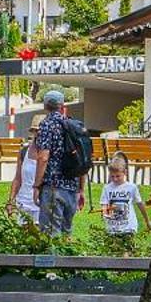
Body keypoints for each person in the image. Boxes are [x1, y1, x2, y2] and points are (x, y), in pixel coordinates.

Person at [28, 90, 85, 236]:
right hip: (71, 188)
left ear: (45, 106)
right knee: (66, 235)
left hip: (53, 187)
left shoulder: (47, 125)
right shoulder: (73, 125)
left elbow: (43, 158)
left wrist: (36, 185)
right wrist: (81, 189)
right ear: (62, 106)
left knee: (50, 235)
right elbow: (82, 160)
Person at [96, 157, 151, 254]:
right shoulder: (107, 188)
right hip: (112, 227)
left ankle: (126, 268)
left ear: (125, 173)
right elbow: (104, 205)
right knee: (114, 252)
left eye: (118, 176)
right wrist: (105, 213)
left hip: (128, 226)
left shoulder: (132, 187)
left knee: (126, 251)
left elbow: (140, 204)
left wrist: (147, 220)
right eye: (112, 176)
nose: (115, 179)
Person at [5, 120, 48, 229]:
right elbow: (18, 178)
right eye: (36, 131)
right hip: (24, 202)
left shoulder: (52, 153)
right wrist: (11, 200)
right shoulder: (24, 151)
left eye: (42, 131)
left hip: (43, 203)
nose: (39, 134)